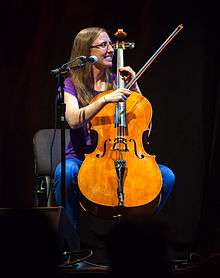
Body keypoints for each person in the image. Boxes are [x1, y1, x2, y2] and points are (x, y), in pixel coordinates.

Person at [53, 27, 175, 246]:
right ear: (86, 51)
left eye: (110, 44)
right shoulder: (71, 84)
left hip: (125, 156)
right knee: (66, 171)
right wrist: (103, 100)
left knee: (166, 177)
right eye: (103, 45)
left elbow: (145, 123)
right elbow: (72, 119)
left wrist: (135, 85)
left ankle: (137, 242)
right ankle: (70, 247)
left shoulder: (118, 82)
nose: (110, 50)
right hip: (85, 158)